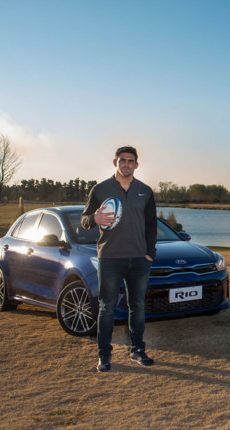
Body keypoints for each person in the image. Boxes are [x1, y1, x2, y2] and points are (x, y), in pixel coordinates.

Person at [81, 146, 157, 372]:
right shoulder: (100, 189)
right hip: (110, 257)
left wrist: (150, 253)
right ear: (115, 162)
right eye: (122, 160)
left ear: (136, 165)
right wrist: (94, 218)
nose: (126, 164)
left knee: (138, 306)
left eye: (130, 161)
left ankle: (137, 350)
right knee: (107, 308)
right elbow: (84, 220)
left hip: (139, 259)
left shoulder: (145, 191)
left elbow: (151, 224)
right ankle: (104, 355)